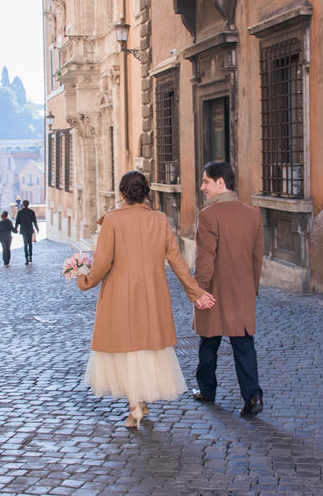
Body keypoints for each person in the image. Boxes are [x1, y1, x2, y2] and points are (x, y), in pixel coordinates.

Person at [77, 171, 216, 428]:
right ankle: (140, 403)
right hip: (153, 295)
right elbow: (176, 260)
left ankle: (134, 408)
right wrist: (195, 292)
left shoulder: (112, 221)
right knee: (145, 348)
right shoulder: (160, 220)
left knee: (126, 351)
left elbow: (102, 263)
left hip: (119, 296)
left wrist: (84, 279)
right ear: (146, 194)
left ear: (121, 194)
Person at [191, 161, 266, 416]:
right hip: (242, 291)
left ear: (220, 183)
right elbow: (258, 258)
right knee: (244, 344)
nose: (203, 187)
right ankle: (253, 396)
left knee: (208, 343)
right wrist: (251, 288)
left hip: (214, 291)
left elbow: (205, 258)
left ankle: (207, 390)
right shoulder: (253, 214)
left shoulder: (208, 215)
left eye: (206, 182)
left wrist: (199, 291)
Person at [14, 200, 40, 264]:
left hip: (23, 230)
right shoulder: (31, 212)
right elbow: (34, 221)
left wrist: (15, 229)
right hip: (30, 229)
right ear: (28, 204)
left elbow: (17, 222)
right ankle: (30, 256)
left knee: (25, 244)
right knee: (30, 243)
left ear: (23, 204)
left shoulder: (20, 212)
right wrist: (37, 228)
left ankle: (26, 258)